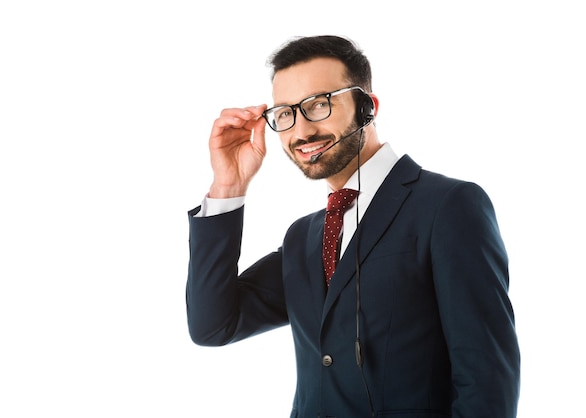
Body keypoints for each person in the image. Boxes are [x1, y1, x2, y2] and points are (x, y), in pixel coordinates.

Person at [186, 35, 520, 418]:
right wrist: (228, 187)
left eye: (318, 105)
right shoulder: (304, 238)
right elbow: (212, 326)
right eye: (284, 114)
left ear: (367, 107)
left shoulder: (448, 207)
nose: (301, 131)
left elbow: (486, 379)